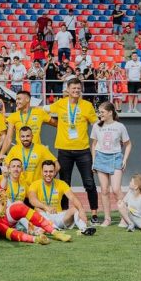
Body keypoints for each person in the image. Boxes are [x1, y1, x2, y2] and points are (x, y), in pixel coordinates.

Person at [49, 78, 99, 222]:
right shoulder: (60, 103)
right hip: (64, 150)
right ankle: (65, 213)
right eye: (73, 88)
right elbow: (45, 110)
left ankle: (94, 213)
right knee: (65, 183)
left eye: (78, 88)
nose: (76, 91)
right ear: (68, 90)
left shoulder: (87, 105)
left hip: (83, 150)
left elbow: (96, 124)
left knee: (89, 182)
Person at [27, 160, 94, 236]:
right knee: (37, 208)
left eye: (51, 171)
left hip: (58, 216)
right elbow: (32, 200)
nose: (48, 174)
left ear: (54, 172)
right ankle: (53, 228)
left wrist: (81, 209)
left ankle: (84, 228)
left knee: (76, 209)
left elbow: (73, 198)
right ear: (41, 172)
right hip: (44, 216)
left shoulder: (61, 183)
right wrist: (46, 207)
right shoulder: (35, 184)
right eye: (45, 171)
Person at [90, 102, 131, 226]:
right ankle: (107, 218)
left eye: (102, 112)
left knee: (116, 189)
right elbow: (94, 144)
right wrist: (94, 161)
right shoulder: (96, 126)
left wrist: (124, 160)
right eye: (99, 112)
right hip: (100, 158)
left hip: (116, 158)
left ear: (110, 112)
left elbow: (128, 144)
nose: (100, 114)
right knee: (104, 190)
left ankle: (125, 217)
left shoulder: (120, 126)